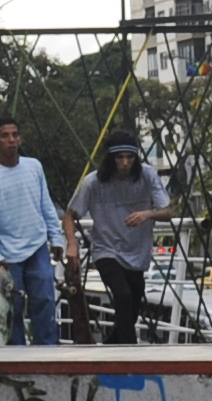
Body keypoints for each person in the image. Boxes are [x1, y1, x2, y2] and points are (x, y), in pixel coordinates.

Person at [65, 141, 170, 344]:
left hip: (136, 250)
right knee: (122, 294)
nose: (125, 163)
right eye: (119, 157)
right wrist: (72, 244)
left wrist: (149, 213)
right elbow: (70, 215)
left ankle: (111, 345)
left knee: (133, 305)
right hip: (106, 248)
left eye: (130, 157)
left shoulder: (147, 175)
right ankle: (129, 350)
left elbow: (169, 211)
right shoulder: (92, 182)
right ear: (110, 159)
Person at [0, 116, 64, 346]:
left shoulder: (34, 166)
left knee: (44, 301)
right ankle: (17, 359)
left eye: (15, 135)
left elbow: (46, 204)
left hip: (36, 247)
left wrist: (57, 238)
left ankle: (47, 353)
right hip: (7, 254)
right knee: (11, 310)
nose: (11, 140)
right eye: (5, 136)